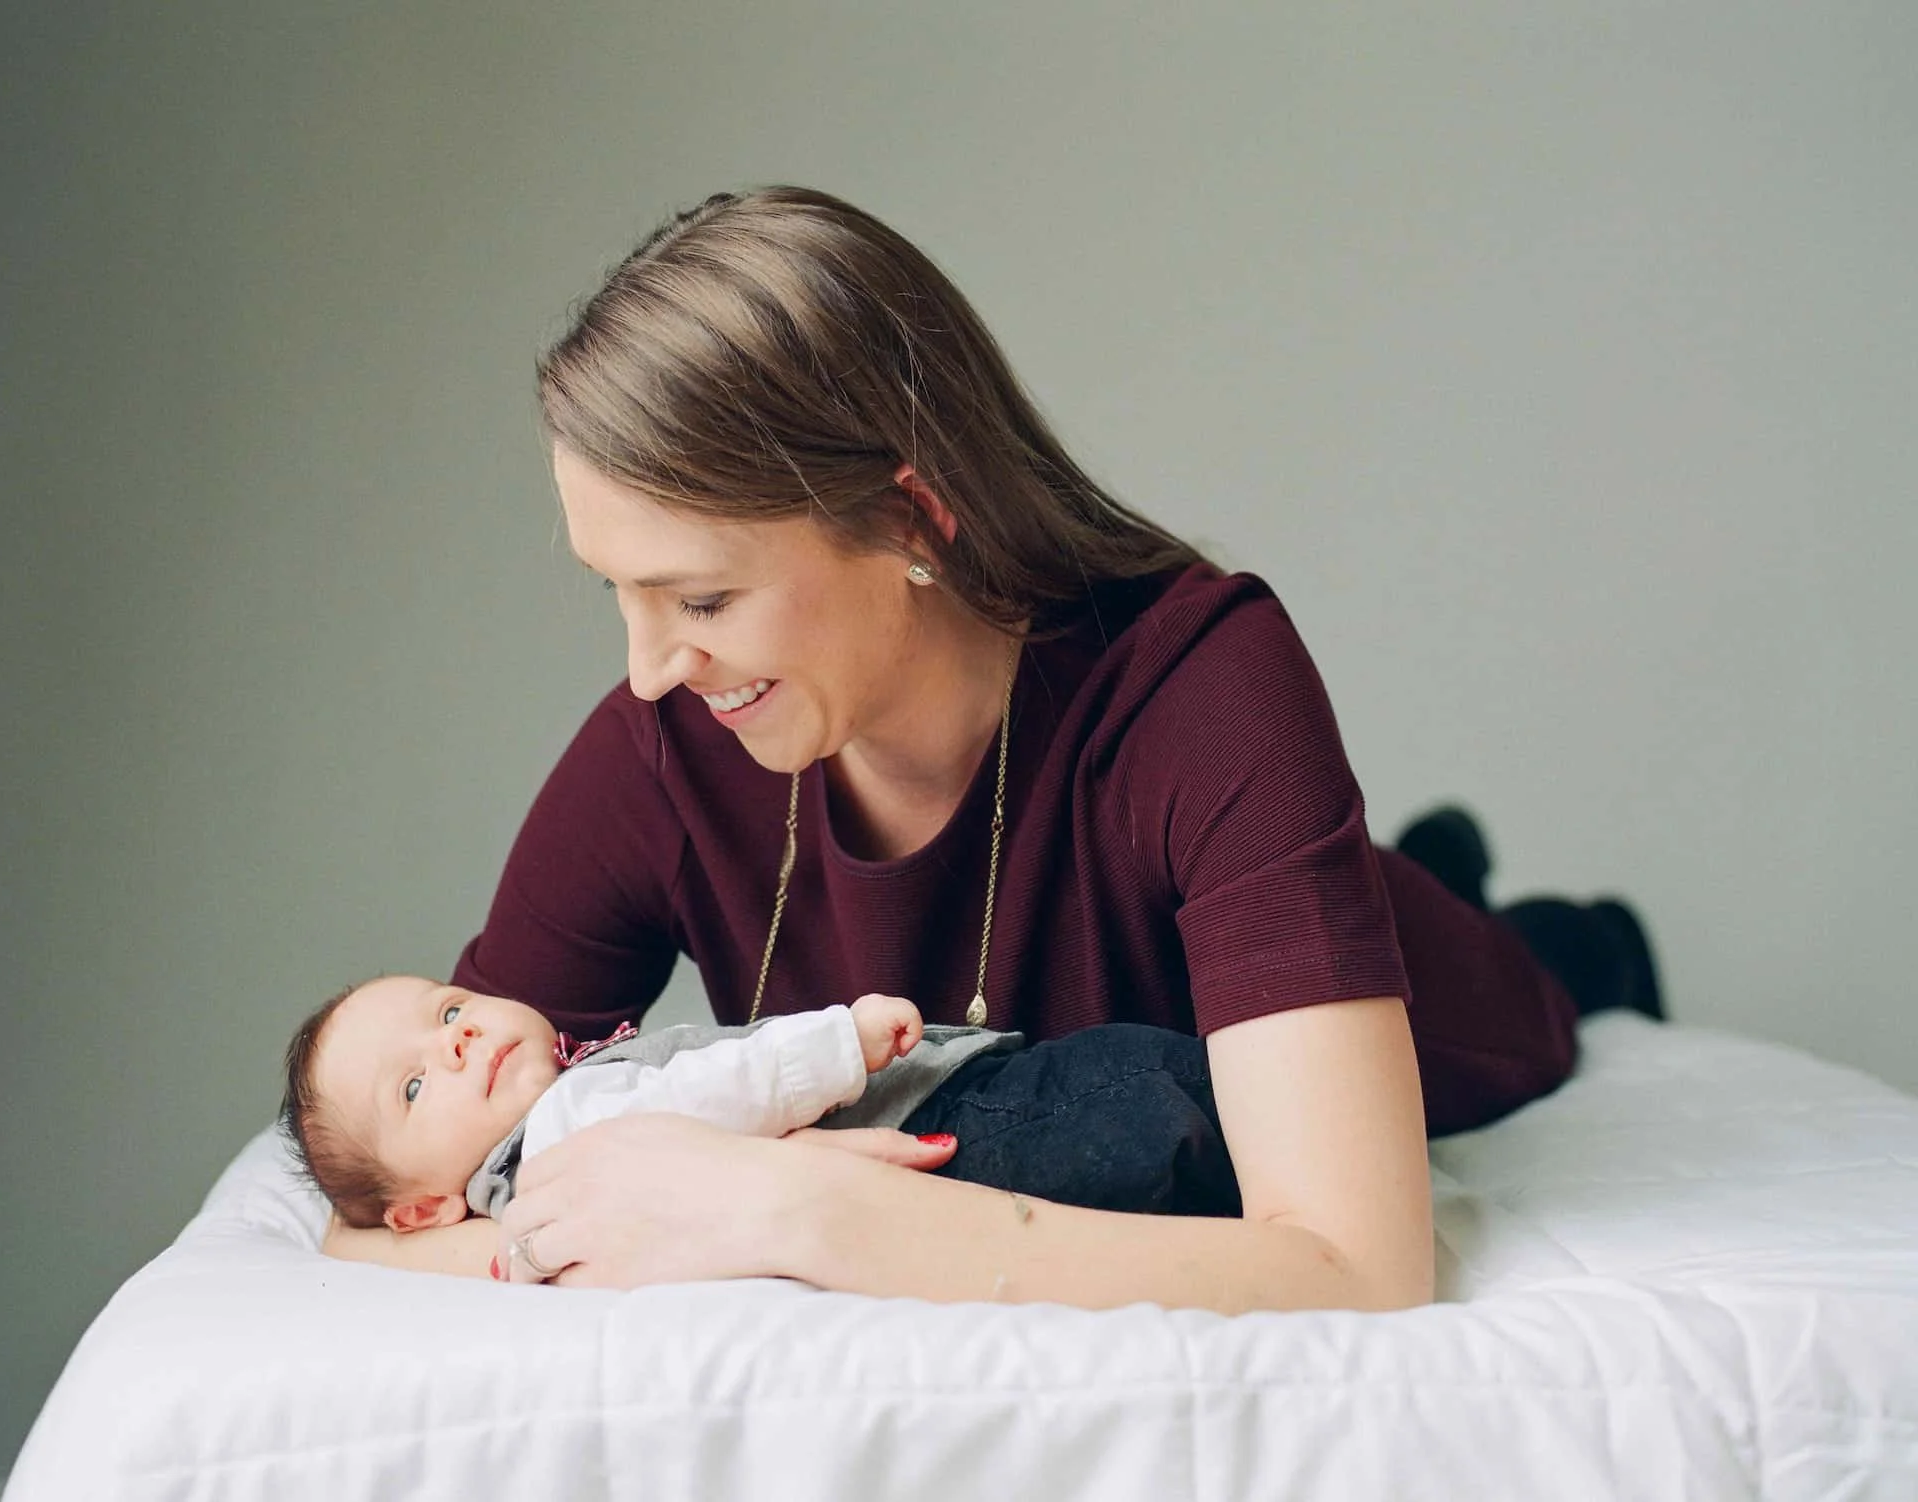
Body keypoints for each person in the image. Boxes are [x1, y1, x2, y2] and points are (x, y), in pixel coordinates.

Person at [322, 185, 1659, 1312]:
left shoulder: (1205, 683)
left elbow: (1363, 1263)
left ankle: (1551, 926)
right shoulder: (667, 741)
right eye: (615, 592)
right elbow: (380, 1204)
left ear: (909, 520)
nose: (649, 665)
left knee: (1525, 972)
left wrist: (795, 1214)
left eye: (704, 598)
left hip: (1456, 994)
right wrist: (539, 1241)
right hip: (1233, 912)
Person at [282, 977, 1240, 1261]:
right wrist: (843, 1044)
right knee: (1139, 1091)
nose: (454, 1042)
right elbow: (717, 1091)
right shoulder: (569, 1126)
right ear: (418, 1209)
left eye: (448, 1010)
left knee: (1141, 1121)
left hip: (936, 1158)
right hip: (956, 1128)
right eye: (413, 1088)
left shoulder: (554, 1159)